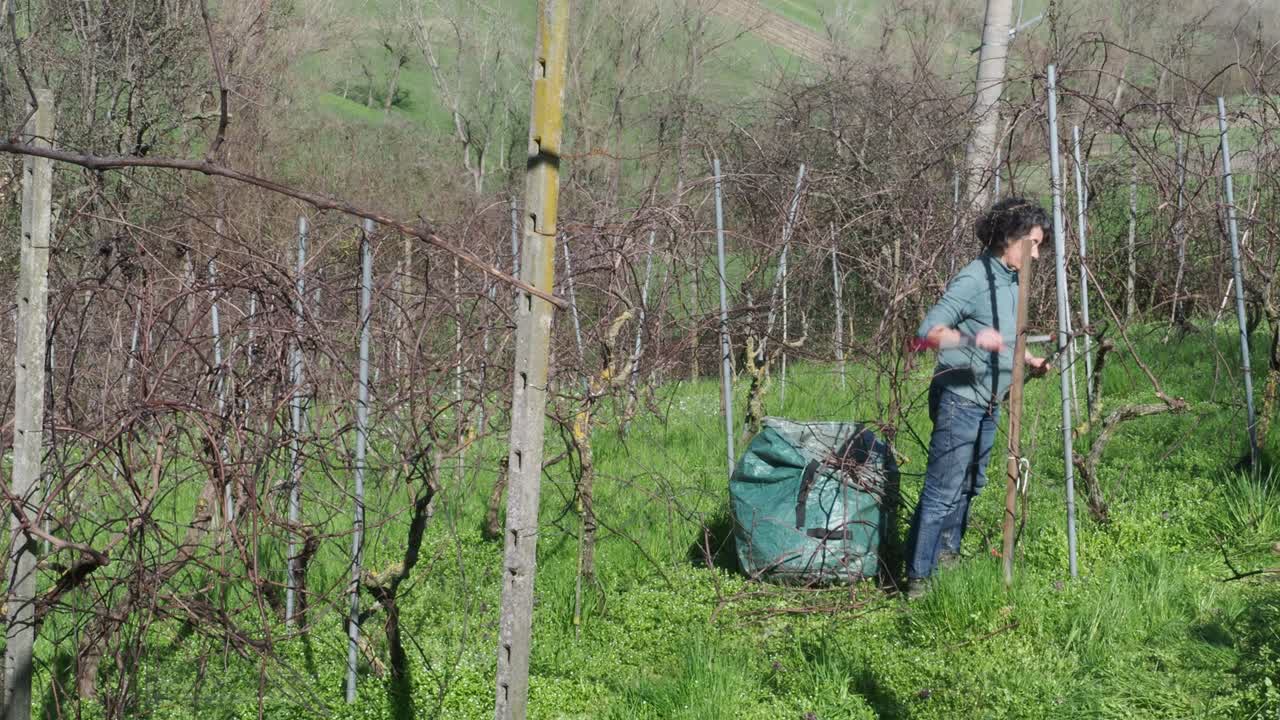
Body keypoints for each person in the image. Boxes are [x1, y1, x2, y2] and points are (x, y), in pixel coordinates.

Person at [905, 196, 1051, 599]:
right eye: (1033, 244)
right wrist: (971, 339)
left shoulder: (1010, 282)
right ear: (1009, 237)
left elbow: (1003, 342)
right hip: (959, 399)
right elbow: (926, 334)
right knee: (943, 490)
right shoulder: (975, 278)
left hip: (989, 402)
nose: (1037, 255)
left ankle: (947, 564)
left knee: (971, 485)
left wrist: (1028, 360)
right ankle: (918, 580)